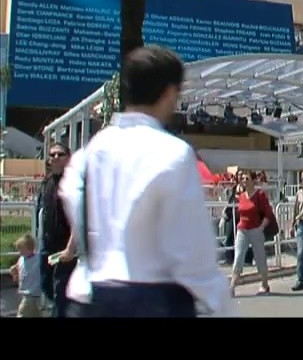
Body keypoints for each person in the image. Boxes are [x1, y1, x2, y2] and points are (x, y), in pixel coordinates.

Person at [59, 46, 228, 317]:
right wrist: (220, 306)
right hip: (153, 299)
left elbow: (69, 192)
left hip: (90, 294)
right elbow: (193, 253)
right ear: (169, 92)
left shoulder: (91, 150)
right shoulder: (173, 152)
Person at [36, 142, 75, 317]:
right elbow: (41, 211)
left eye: (60, 154)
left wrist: (71, 248)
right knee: (46, 285)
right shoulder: (47, 182)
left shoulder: (74, 183)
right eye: (52, 155)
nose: (55, 158)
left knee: (61, 292)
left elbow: (79, 217)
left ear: (68, 158)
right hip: (47, 245)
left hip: (67, 246)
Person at [230, 171, 272, 295]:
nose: (244, 180)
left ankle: (264, 284)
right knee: (238, 257)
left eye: (247, 178)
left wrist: (261, 228)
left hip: (255, 229)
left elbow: (268, 213)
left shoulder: (260, 195)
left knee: (260, 257)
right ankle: (231, 286)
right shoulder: (241, 196)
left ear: (253, 180)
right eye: (242, 178)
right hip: (242, 229)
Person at [9, 234, 42, 317]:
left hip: (32, 293)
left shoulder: (39, 258)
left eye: (21, 249)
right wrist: (14, 271)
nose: (19, 252)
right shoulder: (21, 258)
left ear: (30, 248)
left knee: (22, 314)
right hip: (26, 292)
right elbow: (17, 268)